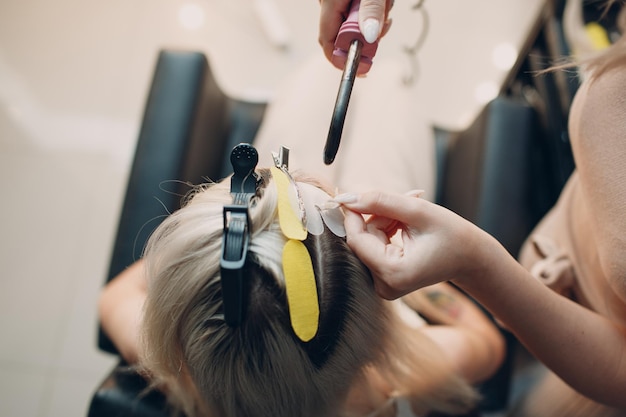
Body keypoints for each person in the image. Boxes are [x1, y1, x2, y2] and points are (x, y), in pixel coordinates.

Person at [323, 1, 626, 415]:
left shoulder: (202, 385)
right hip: (574, 351)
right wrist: (449, 271)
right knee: (386, 84)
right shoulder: (387, 375)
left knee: (322, 76)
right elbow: (486, 345)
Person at [99, 152, 504, 417]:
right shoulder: (414, 374)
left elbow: (113, 297)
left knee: (315, 81)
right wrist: (413, 281)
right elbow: (487, 340)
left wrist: (201, 252)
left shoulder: (180, 369)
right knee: (385, 94)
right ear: (374, 332)